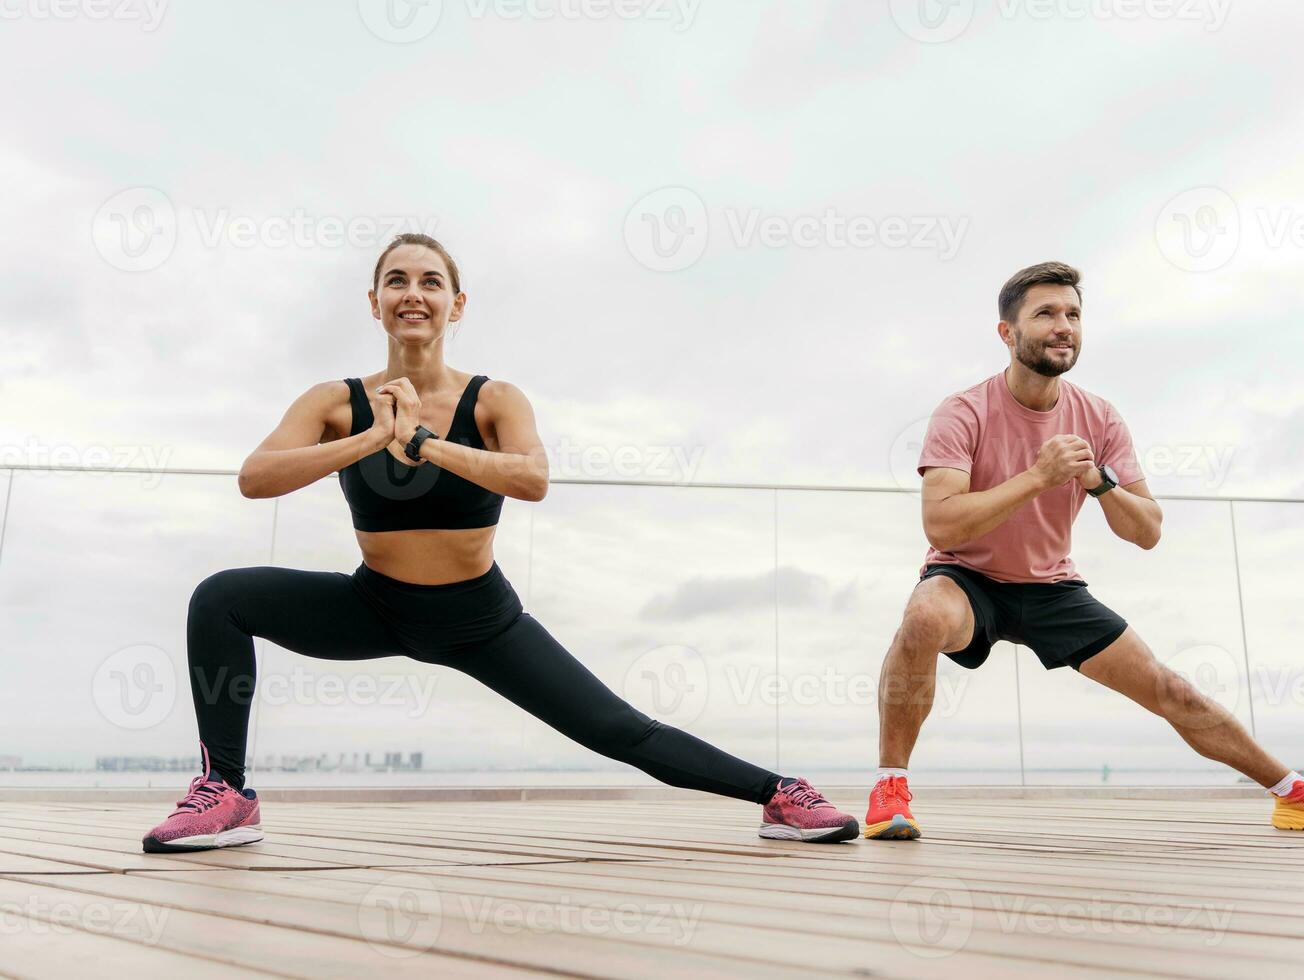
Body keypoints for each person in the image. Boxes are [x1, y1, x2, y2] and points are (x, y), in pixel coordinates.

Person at [142, 234, 858, 853]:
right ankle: (226, 793)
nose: (412, 293)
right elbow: (255, 478)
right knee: (222, 598)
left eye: (431, 282)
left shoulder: (493, 399)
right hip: (376, 603)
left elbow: (532, 478)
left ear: (457, 304)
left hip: (480, 618)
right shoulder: (336, 401)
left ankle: (779, 793)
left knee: (619, 731)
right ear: (374, 302)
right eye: (397, 281)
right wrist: (370, 437)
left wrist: (424, 443)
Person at [864, 261, 1304, 840]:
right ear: (1007, 334)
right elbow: (941, 525)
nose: (1064, 326)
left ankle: (1293, 795)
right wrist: (1038, 476)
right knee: (924, 614)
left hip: (1051, 588)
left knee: (1169, 689)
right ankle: (890, 787)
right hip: (967, 579)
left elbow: (1147, 531)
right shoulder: (964, 411)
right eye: (1046, 314)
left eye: (1073, 315)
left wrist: (1100, 483)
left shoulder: (1100, 417)